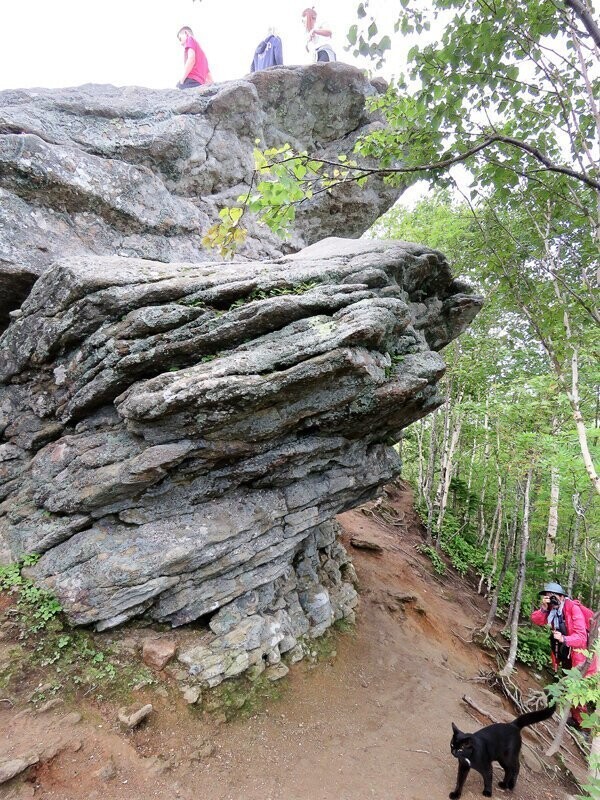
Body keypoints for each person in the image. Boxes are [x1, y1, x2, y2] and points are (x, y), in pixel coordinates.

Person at [530, 581, 597, 729]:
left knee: (579, 690)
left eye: (553, 596)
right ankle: (575, 719)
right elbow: (535, 619)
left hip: (582, 655)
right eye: (547, 596)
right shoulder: (552, 610)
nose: (551, 598)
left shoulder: (573, 609)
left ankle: (584, 727)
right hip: (567, 653)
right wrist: (543, 608)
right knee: (570, 685)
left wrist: (564, 639)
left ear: (561, 597)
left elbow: (581, 638)